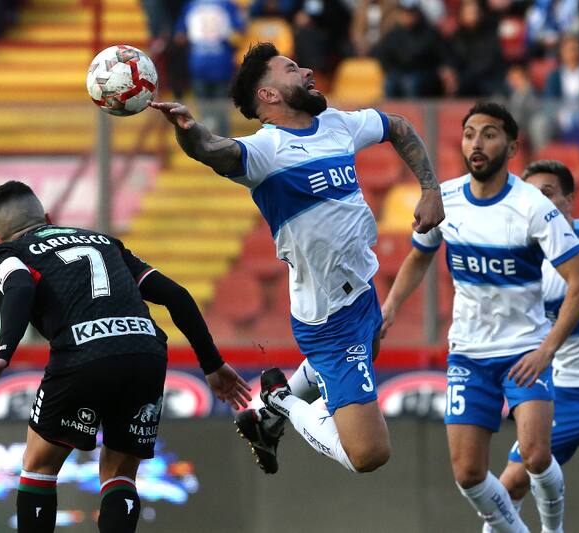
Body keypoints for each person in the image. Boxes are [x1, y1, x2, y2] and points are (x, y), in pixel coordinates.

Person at [151, 42, 445, 476]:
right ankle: (280, 402)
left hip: (361, 290)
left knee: (372, 344)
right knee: (369, 454)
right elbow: (213, 150)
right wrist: (189, 130)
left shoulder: (336, 124)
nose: (307, 70)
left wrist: (430, 188)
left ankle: (266, 421)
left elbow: (398, 127)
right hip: (330, 317)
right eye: (291, 69)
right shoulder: (265, 152)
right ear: (268, 95)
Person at [0, 181, 251, 533]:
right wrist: (212, 364)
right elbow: (176, 295)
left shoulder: (9, 252)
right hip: (145, 350)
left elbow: (20, 284)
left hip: (83, 352)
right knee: (119, 473)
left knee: (39, 465)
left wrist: (3, 353)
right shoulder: (104, 242)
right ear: (50, 218)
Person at [381, 102, 579, 533]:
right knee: (468, 475)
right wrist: (390, 308)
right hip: (469, 356)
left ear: (512, 146)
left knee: (534, 455)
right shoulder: (446, 199)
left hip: (524, 351)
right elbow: (419, 257)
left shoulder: (535, 207)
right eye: (469, 133)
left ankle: (554, 529)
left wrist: (547, 350)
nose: (476, 143)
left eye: (489, 134)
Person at [481, 160, 579, 533]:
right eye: (529, 196)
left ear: (569, 200)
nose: (538, 204)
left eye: (547, 194)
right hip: (567, 393)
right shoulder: (517, 266)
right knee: (510, 483)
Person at [528, 33, 579, 171]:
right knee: (539, 123)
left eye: (576, 48)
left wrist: (578, 112)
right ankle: (543, 167)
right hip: (559, 119)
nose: (573, 53)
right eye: (569, 49)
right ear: (562, 53)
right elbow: (549, 102)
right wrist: (560, 114)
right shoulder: (554, 75)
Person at [174, 0, 245, 136]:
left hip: (200, 63)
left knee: (206, 113)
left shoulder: (191, 5)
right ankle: (223, 146)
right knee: (220, 111)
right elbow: (239, 29)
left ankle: (207, 145)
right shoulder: (226, 5)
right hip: (220, 64)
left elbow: (180, 36)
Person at [372, 0, 448, 97]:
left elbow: (438, 56)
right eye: (405, 12)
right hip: (399, 72)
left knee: (410, 83)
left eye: (411, 13)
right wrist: (392, 70)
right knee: (390, 82)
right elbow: (383, 55)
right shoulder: (393, 34)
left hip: (423, 74)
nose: (408, 16)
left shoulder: (429, 33)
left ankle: (411, 112)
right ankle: (390, 111)